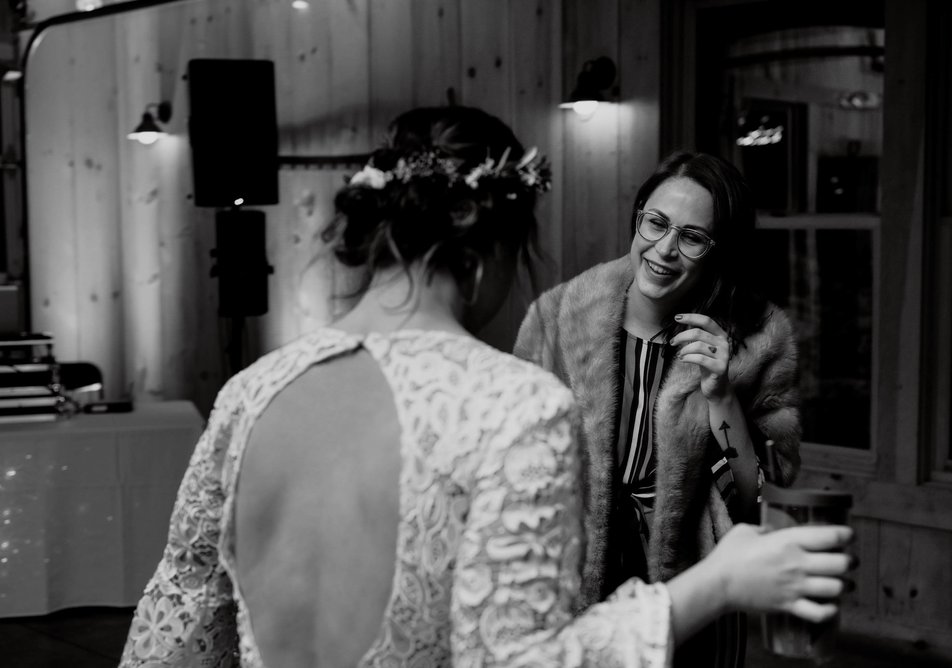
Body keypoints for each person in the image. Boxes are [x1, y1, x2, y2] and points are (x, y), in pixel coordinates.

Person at [119, 110, 848, 667]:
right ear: (489, 251)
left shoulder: (251, 391)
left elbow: (174, 626)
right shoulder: (517, 408)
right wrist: (717, 586)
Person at [514, 150, 802, 666]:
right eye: (657, 222)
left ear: (719, 249)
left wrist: (721, 395)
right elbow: (511, 466)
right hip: (570, 571)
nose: (665, 249)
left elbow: (756, 499)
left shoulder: (757, 339)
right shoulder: (557, 318)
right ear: (639, 215)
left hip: (691, 584)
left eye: (692, 237)